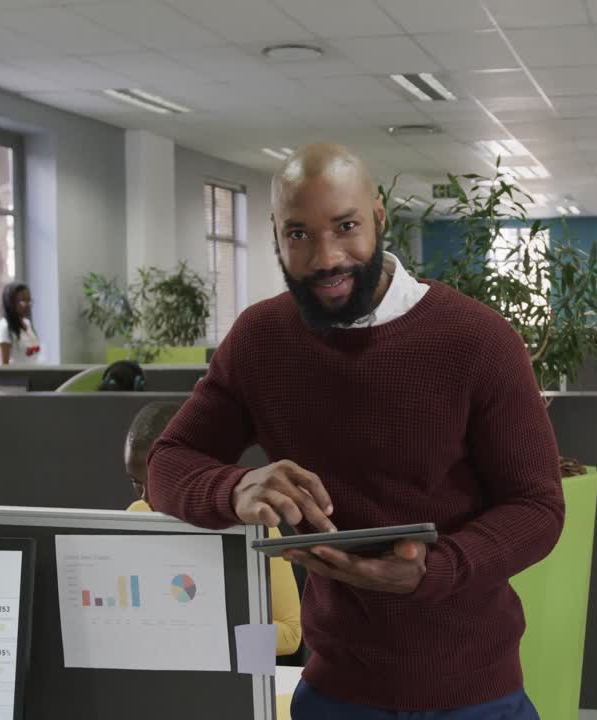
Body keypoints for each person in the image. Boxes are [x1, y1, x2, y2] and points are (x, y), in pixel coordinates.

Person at [147, 144, 564, 718]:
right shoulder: (260, 340)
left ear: (379, 218)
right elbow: (167, 463)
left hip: (473, 691)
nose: (325, 257)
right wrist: (233, 489)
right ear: (274, 232)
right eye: (299, 234)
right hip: (333, 688)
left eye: (346, 227)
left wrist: (437, 570)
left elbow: (538, 507)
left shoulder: (477, 340)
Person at [123, 401, 302, 658]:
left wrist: (201, 632)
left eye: (156, 481)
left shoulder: (255, 528)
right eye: (135, 482)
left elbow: (291, 635)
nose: (147, 497)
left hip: (234, 682)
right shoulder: (136, 517)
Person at [0, 282, 42, 365]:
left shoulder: (27, 324)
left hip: (34, 376)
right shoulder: (3, 329)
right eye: (23, 302)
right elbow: (2, 368)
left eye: (29, 301)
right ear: (11, 303)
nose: (28, 305)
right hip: (19, 378)